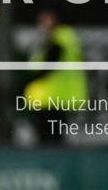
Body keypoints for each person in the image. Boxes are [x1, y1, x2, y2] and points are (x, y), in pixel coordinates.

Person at [21, 8, 89, 143]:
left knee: (49, 141)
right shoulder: (63, 38)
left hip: (51, 99)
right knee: (54, 138)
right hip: (54, 98)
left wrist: (30, 80)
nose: (40, 23)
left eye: (44, 19)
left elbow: (50, 63)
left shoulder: (60, 39)